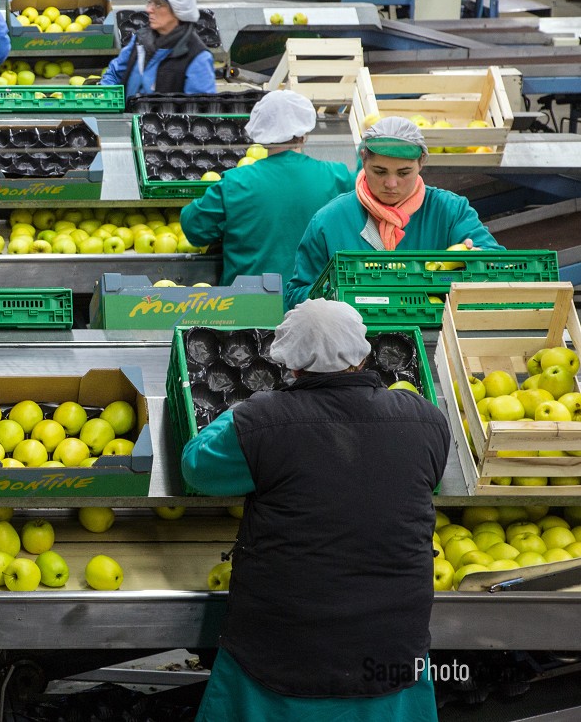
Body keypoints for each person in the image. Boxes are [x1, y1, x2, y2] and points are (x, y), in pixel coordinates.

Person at [182, 298, 450, 722]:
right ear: (363, 355)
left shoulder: (261, 423)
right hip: (391, 649)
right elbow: (426, 481)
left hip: (283, 653)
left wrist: (241, 411)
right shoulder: (426, 420)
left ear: (290, 365)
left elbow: (197, 467)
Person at [285, 116, 502, 308]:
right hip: (351, 346)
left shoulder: (450, 211)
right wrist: (335, 291)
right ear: (363, 159)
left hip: (436, 341)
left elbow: (500, 267)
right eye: (379, 171)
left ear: (421, 163)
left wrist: (476, 262)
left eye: (404, 172)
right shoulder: (330, 220)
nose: (391, 183)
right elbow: (295, 295)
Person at [180, 90, 355, 287]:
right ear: (304, 134)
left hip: (251, 308)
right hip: (314, 307)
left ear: (260, 134)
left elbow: (193, 227)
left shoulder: (235, 183)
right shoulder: (337, 177)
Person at [98, 0, 215, 96]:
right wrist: (109, 99)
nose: (149, 9)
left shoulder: (197, 57)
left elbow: (199, 108)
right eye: (150, 2)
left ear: (179, 9)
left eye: (158, 4)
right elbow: (114, 74)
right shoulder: (140, 41)